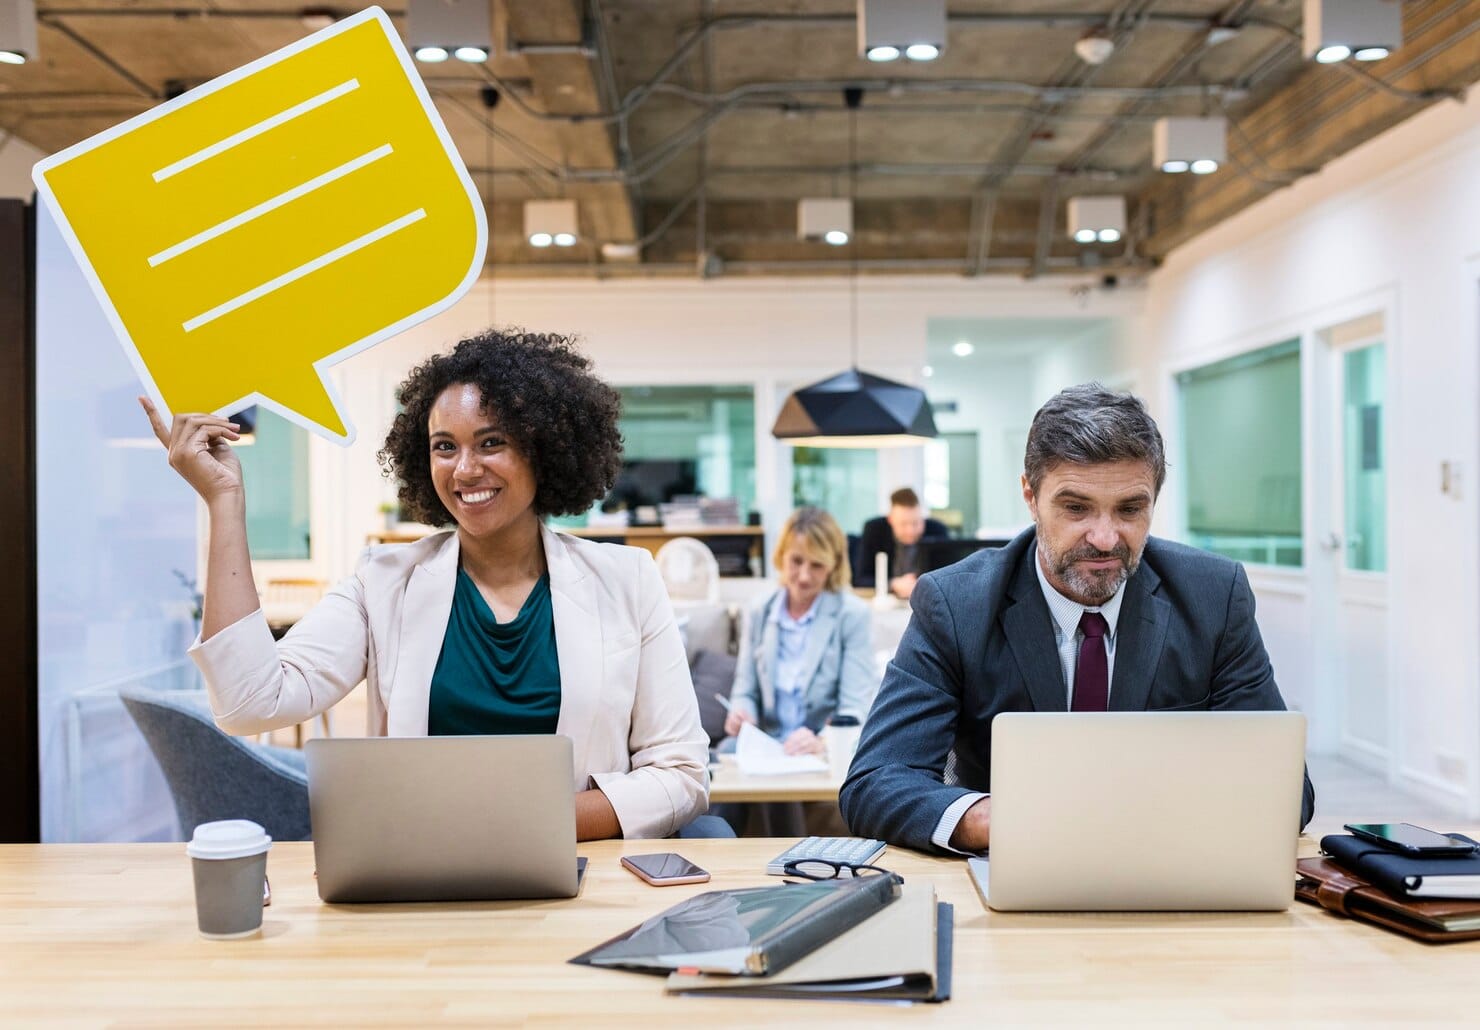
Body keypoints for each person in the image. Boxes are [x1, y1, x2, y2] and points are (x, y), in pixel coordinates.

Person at [142, 329, 710, 841]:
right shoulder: (384, 581)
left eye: (492, 442)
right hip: (426, 877)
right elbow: (249, 702)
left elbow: (681, 775)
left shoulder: (626, 581)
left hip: (579, 874)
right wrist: (224, 501)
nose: (464, 469)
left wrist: (530, 823)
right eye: (445, 446)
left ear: (545, 451)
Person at [839, 383, 1316, 854]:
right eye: (1076, 508)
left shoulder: (1213, 596)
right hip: (1019, 868)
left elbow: (1287, 790)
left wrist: (1158, 819)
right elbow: (876, 780)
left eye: (1131, 509)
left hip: (1171, 865)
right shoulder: (955, 603)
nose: (1106, 538)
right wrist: (991, 819)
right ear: (1030, 496)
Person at [723, 507, 875, 755]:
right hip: (767, 745)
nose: (804, 576)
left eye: (817, 565)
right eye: (796, 561)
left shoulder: (852, 615)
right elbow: (745, 690)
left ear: (833, 566)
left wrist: (823, 742)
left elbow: (854, 707)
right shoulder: (759, 610)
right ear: (781, 555)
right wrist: (741, 713)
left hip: (822, 749)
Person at [854, 487, 949, 598]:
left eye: (916, 523)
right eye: (903, 524)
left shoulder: (937, 531)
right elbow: (860, 578)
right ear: (890, 520)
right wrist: (893, 584)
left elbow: (948, 578)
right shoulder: (874, 530)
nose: (910, 531)